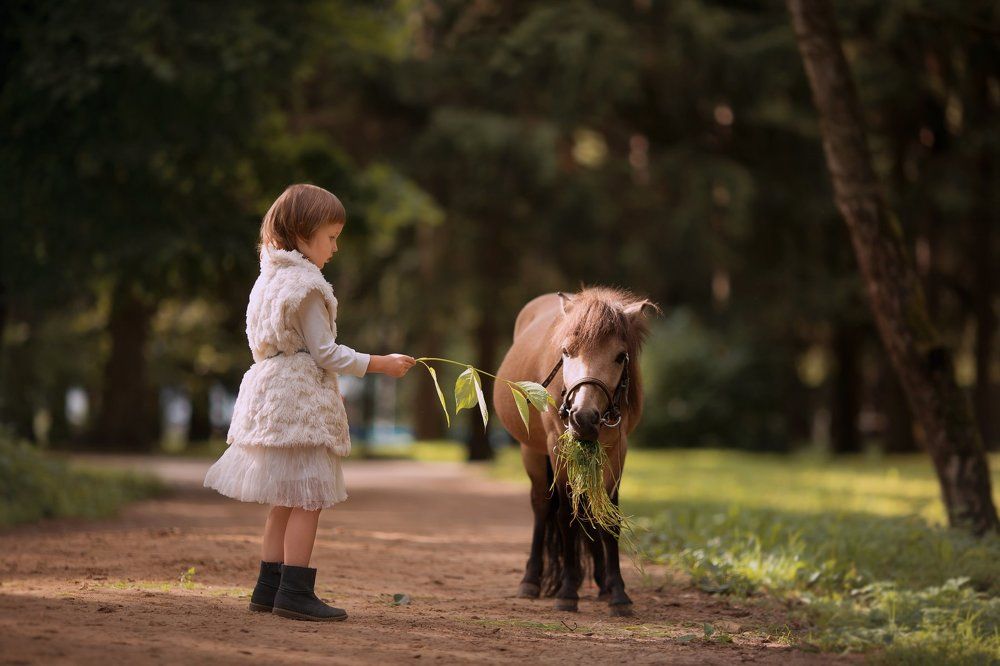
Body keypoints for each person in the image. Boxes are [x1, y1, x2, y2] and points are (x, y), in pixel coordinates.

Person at [204, 183, 415, 621]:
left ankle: (269, 586)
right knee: (309, 496)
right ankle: (295, 589)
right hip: (298, 397)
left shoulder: (268, 279)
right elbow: (326, 352)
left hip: (269, 390)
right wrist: (380, 363)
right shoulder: (307, 285)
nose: (335, 249)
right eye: (331, 237)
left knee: (284, 494)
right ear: (303, 232)